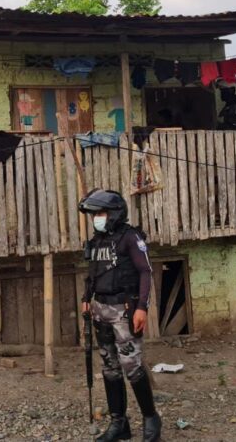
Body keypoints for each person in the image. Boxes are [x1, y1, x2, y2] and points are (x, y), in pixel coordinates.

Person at [79, 189, 162, 442]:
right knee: (110, 368)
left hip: (124, 311)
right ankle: (119, 423)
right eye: (94, 214)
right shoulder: (96, 241)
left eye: (100, 213)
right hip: (100, 310)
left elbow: (145, 271)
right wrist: (86, 298)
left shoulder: (130, 237)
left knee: (132, 367)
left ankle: (151, 419)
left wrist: (142, 308)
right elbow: (93, 273)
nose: (96, 218)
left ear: (114, 214)